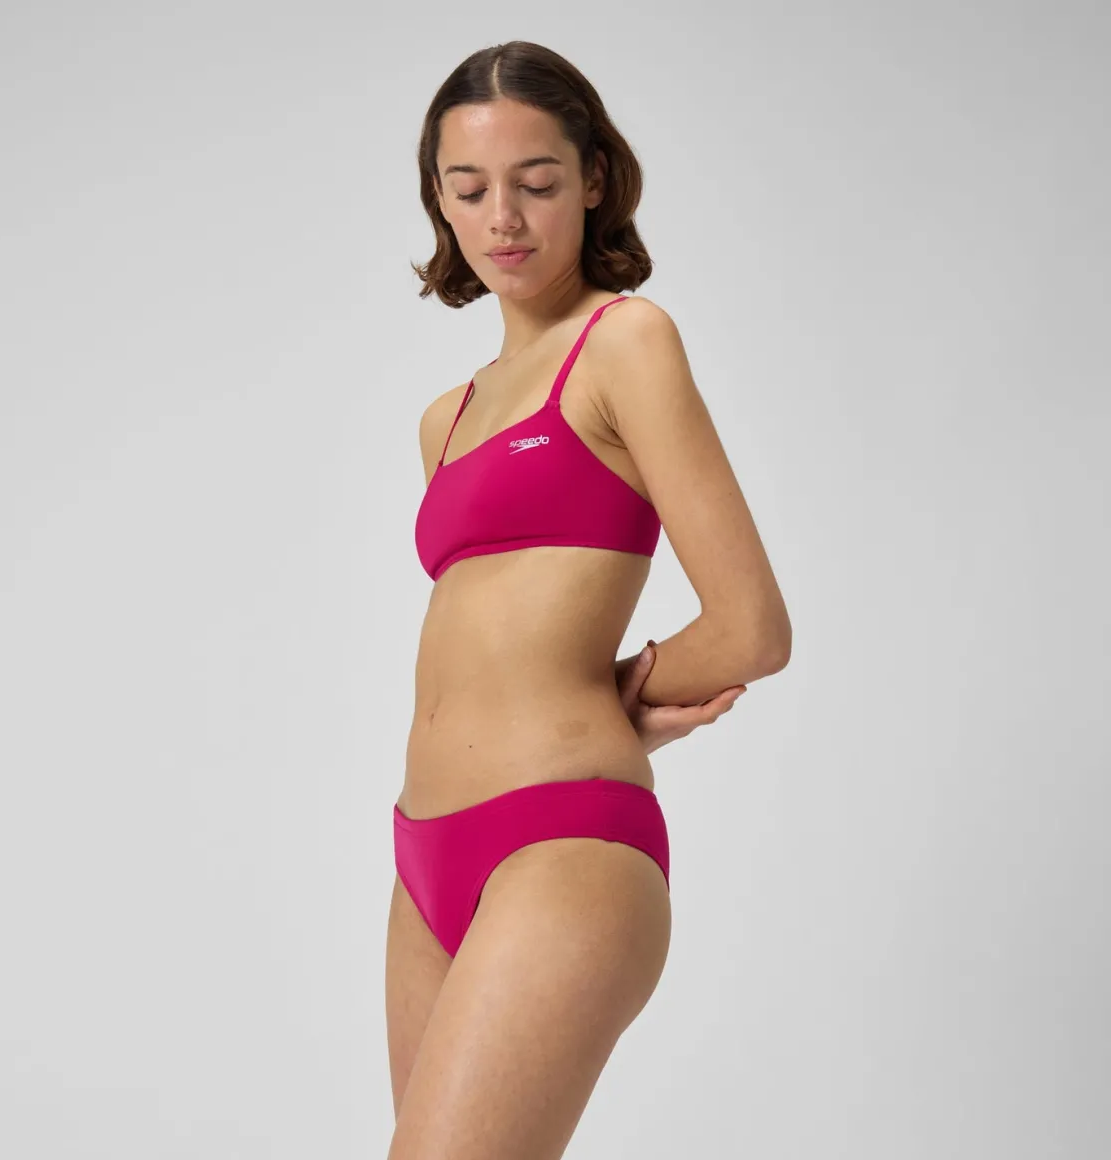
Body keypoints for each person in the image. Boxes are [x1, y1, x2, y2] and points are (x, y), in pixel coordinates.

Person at [385, 40, 792, 1160]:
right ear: (438, 199)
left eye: (537, 181)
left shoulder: (623, 343)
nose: (503, 217)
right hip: (422, 853)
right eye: (469, 188)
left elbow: (752, 627)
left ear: (594, 179)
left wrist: (614, 695)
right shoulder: (445, 418)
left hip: (560, 838)